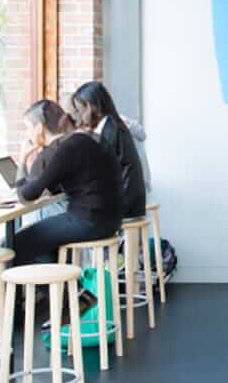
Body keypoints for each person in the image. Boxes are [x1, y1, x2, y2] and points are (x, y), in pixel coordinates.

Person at [11, 99, 123, 267]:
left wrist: (22, 160)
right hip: (109, 220)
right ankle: (56, 291)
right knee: (43, 243)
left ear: (39, 128)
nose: (27, 135)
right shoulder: (84, 139)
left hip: (90, 221)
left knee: (9, 245)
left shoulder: (67, 148)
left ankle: (40, 291)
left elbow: (26, 195)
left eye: (28, 128)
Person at [70, 81, 147, 220]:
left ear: (90, 106)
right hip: (131, 199)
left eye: (80, 110)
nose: (79, 117)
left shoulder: (109, 132)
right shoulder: (112, 125)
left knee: (66, 213)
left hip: (124, 203)